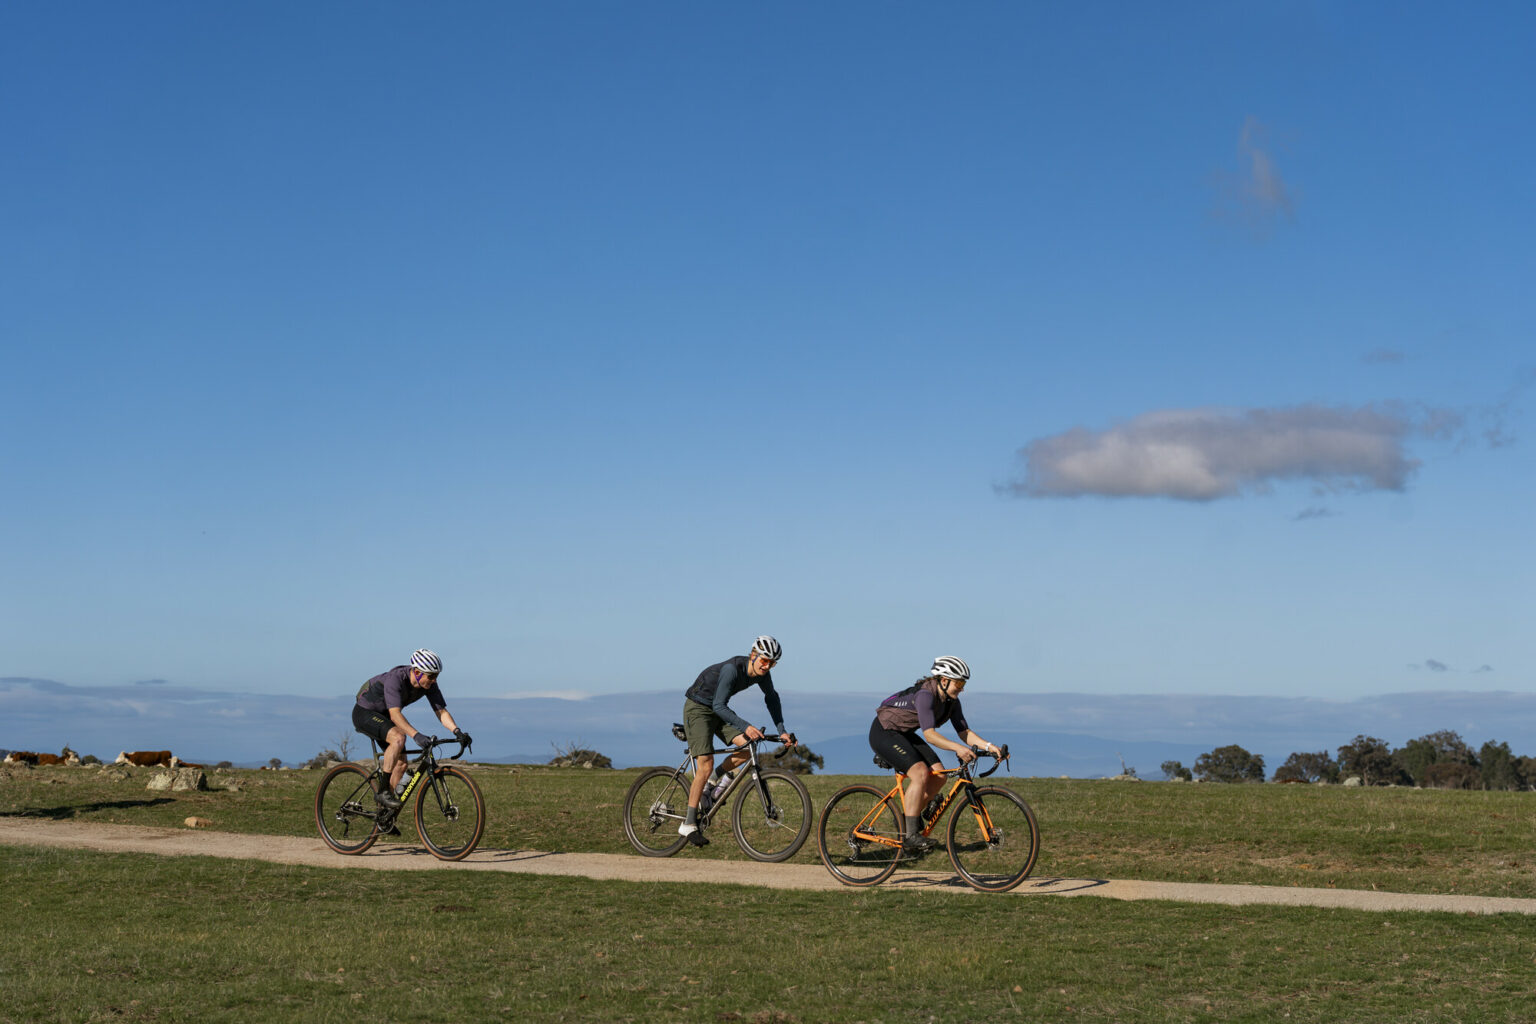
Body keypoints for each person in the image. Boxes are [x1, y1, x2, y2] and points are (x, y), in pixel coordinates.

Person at [869, 655, 1003, 854]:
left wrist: (990, 747)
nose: (962, 688)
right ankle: (911, 836)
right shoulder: (926, 695)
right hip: (884, 732)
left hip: (904, 734)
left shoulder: (952, 702)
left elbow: (964, 732)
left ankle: (907, 823)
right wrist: (957, 748)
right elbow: (930, 735)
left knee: (939, 775)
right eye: (958, 682)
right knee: (920, 773)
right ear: (944, 680)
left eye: (963, 683)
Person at [677, 635, 797, 846]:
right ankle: (688, 824)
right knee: (705, 763)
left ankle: (713, 782)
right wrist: (747, 727)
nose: (767, 666)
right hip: (698, 708)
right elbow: (719, 706)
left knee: (747, 748)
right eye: (764, 660)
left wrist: (782, 731)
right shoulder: (732, 670)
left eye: (772, 663)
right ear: (753, 655)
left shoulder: (762, 675)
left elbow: (772, 698)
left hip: (717, 709)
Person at [353, 649, 471, 811]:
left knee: (401, 764)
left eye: (436, 676)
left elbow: (441, 712)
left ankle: (383, 814)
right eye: (431, 676)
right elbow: (395, 715)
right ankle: (382, 792)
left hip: (384, 716)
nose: (434, 680)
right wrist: (416, 736)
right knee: (399, 737)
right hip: (365, 713)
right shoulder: (395, 679)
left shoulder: (430, 685)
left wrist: (457, 732)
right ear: (417, 672)